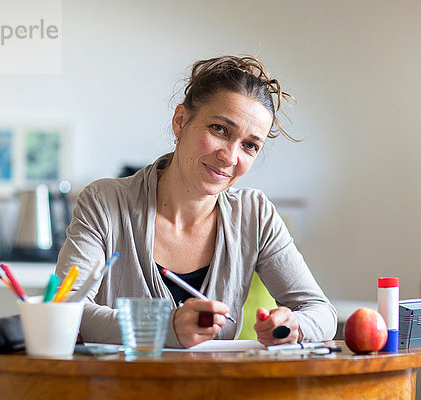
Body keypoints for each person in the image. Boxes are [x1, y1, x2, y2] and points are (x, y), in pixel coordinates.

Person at [55, 55, 337, 348]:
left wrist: (294, 326)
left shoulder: (256, 214)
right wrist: (165, 328)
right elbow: (66, 310)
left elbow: (321, 312)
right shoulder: (104, 202)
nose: (229, 157)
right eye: (219, 129)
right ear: (180, 122)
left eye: (250, 145)